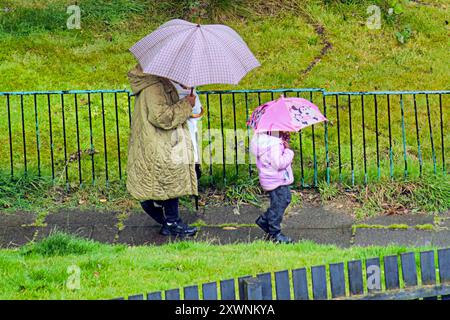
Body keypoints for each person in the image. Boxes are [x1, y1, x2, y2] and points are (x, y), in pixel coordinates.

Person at [126, 64, 198, 237]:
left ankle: (168, 219)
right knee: (169, 178)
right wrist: (186, 105)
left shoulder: (155, 81)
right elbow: (162, 117)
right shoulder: (154, 87)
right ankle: (170, 221)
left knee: (165, 180)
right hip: (159, 141)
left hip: (156, 140)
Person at [250, 131, 294, 244]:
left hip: (270, 178)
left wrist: (282, 141)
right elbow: (278, 163)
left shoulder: (265, 140)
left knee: (283, 200)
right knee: (280, 202)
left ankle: (265, 221)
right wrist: (289, 152)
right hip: (277, 179)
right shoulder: (274, 144)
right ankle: (275, 233)